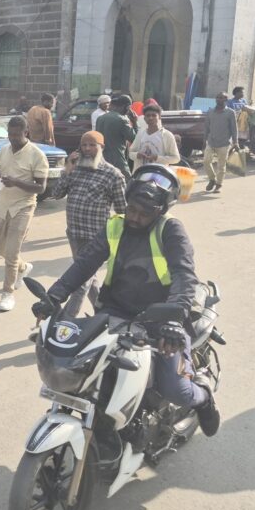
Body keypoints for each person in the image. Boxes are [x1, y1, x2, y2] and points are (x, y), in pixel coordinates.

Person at [42, 165, 220, 436]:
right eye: (132, 209)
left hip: (162, 318)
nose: (135, 217)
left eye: (144, 213)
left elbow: (184, 275)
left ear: (160, 211)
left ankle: (204, 399)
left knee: (174, 388)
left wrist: (174, 318)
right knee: (83, 370)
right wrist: (55, 294)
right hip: (115, 312)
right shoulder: (116, 224)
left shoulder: (171, 230)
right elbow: (85, 262)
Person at [49, 131, 127, 312]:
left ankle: (66, 320)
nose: (87, 149)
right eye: (84, 145)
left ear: (102, 147)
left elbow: (123, 210)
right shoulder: (75, 169)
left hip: (96, 238)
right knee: (87, 276)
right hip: (74, 234)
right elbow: (56, 194)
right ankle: (103, 312)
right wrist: (67, 170)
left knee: (81, 281)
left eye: (92, 145)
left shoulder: (113, 175)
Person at [0, 116, 48, 312]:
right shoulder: (3, 150)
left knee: (12, 252)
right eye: (10, 134)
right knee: (2, 249)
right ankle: (23, 268)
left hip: (23, 207)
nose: (13, 138)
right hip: (3, 205)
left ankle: (8, 293)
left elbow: (40, 188)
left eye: (17, 135)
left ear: (26, 133)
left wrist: (16, 182)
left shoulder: (36, 155)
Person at [202, 92, 237, 193]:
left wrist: (236, 142)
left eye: (222, 98)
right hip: (211, 142)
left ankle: (219, 184)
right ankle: (212, 179)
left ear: (226, 100)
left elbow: (234, 129)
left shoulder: (230, 113)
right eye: (217, 97)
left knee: (221, 166)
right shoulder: (210, 112)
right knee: (206, 161)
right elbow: (206, 127)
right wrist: (204, 140)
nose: (219, 99)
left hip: (224, 143)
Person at [96, 95, 137, 180]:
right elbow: (134, 139)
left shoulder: (100, 118)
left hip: (102, 158)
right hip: (118, 160)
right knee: (128, 183)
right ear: (126, 107)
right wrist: (135, 123)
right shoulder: (122, 120)